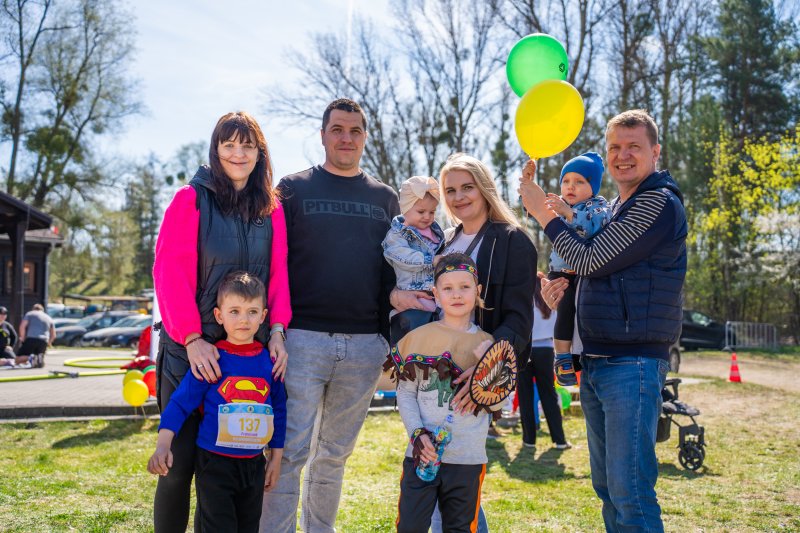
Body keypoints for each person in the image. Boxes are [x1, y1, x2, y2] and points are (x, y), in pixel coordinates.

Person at [519, 109, 687, 532]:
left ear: (655, 152)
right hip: (596, 358)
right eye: (615, 147)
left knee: (630, 492)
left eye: (634, 146)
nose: (622, 155)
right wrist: (561, 289)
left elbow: (592, 258)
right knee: (608, 488)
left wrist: (544, 214)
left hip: (632, 363)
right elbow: (589, 268)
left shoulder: (657, 203)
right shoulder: (614, 207)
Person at [260, 98, 399, 533]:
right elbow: (273, 263)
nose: (346, 138)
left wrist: (387, 340)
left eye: (355, 131)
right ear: (322, 135)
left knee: (334, 455)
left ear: (365, 138)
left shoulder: (385, 198)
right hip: (302, 340)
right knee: (286, 452)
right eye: (337, 129)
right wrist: (275, 329)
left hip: (364, 347)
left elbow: (392, 272)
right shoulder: (292, 189)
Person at [152, 111, 291, 532]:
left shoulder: (271, 210)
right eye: (229, 145)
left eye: (247, 145)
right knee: (178, 466)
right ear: (216, 150)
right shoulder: (190, 200)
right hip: (191, 354)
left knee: (229, 473)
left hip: (247, 354)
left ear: (259, 153)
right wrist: (192, 338)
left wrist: (278, 331)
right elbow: (168, 273)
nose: (238, 153)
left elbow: (279, 275)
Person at [398, 153, 535, 532]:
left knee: (459, 478)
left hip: (476, 378)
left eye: (467, 187)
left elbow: (519, 320)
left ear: (484, 187)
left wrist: (486, 369)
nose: (459, 197)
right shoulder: (443, 241)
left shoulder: (513, 241)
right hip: (433, 381)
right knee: (437, 475)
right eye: (451, 190)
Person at [147, 272, 286, 533]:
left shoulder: (270, 363)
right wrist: (163, 444)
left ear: (263, 316)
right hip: (214, 464)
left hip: (253, 464)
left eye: (252, 311)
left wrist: (275, 458)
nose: (243, 319)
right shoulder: (211, 360)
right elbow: (180, 403)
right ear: (219, 315)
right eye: (234, 311)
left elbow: (279, 411)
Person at [391, 253, 494, 533]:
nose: (456, 294)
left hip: (467, 458)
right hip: (421, 454)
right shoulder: (417, 339)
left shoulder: (489, 344)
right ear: (435, 294)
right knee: (410, 526)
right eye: (447, 288)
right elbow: (406, 393)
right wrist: (417, 434)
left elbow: (499, 403)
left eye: (465, 287)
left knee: (460, 528)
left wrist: (488, 368)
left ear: (478, 291)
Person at [539, 152, 611, 386]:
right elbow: (535, 208)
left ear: (593, 187)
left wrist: (569, 213)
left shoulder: (598, 206)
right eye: (566, 181)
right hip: (560, 272)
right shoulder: (560, 203)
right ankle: (561, 357)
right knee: (565, 311)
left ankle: (579, 354)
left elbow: (594, 226)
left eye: (579, 181)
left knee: (583, 313)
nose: (571, 186)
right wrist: (528, 184)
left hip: (585, 271)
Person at [382, 175, 445, 343]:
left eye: (432, 212)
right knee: (418, 332)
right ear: (405, 209)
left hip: (432, 294)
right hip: (412, 291)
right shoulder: (397, 234)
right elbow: (400, 255)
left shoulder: (436, 233)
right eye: (421, 212)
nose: (427, 217)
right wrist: (430, 260)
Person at [517, 273, 570, 450]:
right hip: (546, 349)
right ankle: (560, 440)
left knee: (525, 395)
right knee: (549, 394)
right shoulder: (549, 302)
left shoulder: (524, 301)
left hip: (525, 349)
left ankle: (529, 440)